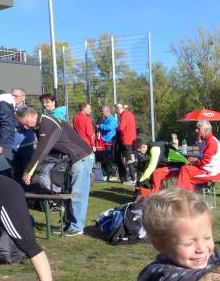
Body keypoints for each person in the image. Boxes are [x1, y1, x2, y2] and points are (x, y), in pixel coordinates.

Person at [17, 106, 95, 237]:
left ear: (30, 116)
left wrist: (28, 172)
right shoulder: (42, 124)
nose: (24, 127)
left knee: (77, 193)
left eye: (23, 123)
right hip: (71, 159)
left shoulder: (46, 123)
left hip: (80, 157)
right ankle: (68, 224)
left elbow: (42, 150)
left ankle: (77, 227)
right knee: (68, 192)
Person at [153, 120, 220, 192]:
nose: (196, 130)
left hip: (211, 172)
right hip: (206, 169)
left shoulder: (211, 142)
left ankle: (180, 195)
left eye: (198, 129)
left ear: (206, 130)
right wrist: (192, 161)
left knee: (186, 173)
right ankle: (186, 195)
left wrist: (192, 163)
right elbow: (203, 157)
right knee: (185, 170)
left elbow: (205, 161)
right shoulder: (208, 140)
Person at [10, 88, 35, 181]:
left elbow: (32, 125)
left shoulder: (28, 111)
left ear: (23, 97)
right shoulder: (8, 109)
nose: (13, 97)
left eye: (16, 96)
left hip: (25, 146)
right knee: (15, 172)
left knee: (26, 171)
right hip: (11, 146)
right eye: (12, 95)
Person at [114, 103, 138, 183]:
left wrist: (117, 128)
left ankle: (133, 179)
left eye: (116, 111)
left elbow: (121, 127)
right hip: (133, 139)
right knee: (132, 158)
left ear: (118, 109)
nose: (117, 114)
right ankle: (135, 178)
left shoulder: (124, 115)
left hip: (127, 140)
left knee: (129, 159)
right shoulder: (130, 114)